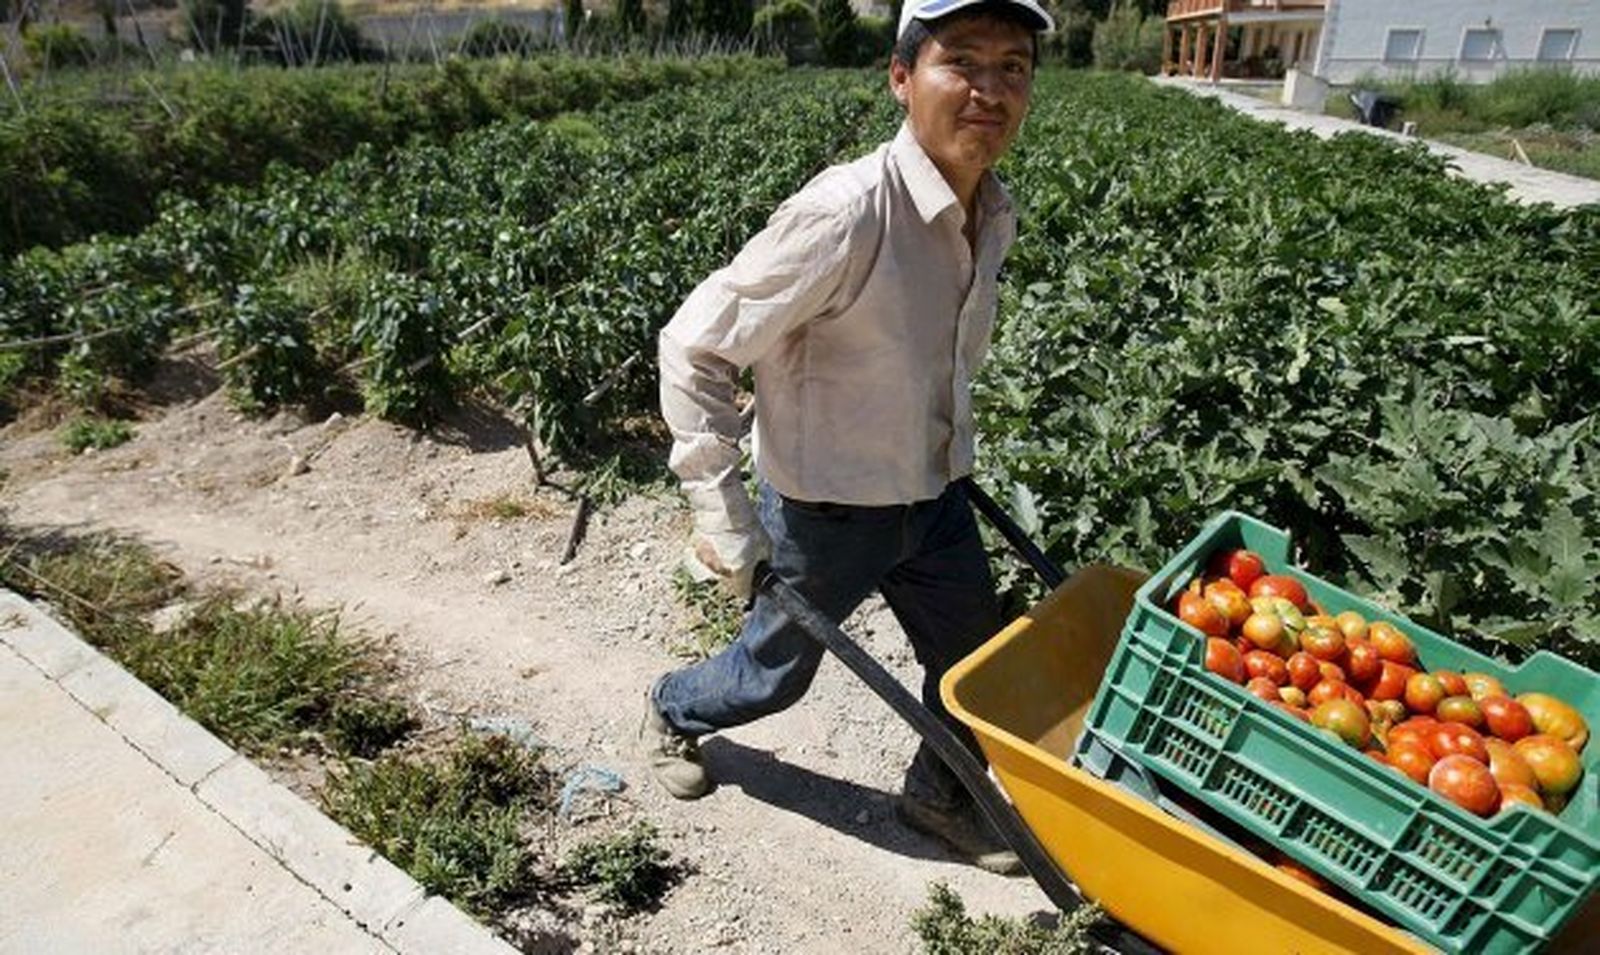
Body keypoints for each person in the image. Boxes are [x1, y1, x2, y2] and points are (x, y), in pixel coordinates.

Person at [639, 0, 1051, 876]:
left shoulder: (992, 208)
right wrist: (725, 517)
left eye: (1011, 67)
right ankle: (673, 708)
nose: (989, 89)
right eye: (962, 62)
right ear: (901, 78)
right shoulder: (848, 213)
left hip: (934, 498)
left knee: (971, 668)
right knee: (771, 677)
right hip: (828, 509)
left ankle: (938, 796)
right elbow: (694, 345)